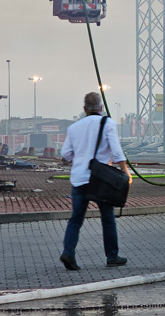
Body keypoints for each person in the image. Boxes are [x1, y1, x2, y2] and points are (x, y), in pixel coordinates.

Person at [60, 92, 130, 271]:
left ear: (84, 109)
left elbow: (65, 154)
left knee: (76, 219)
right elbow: (116, 151)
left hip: (79, 179)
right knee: (107, 218)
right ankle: (112, 256)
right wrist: (126, 173)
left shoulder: (74, 128)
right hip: (100, 180)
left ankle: (68, 252)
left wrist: (80, 154)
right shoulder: (107, 123)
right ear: (101, 108)